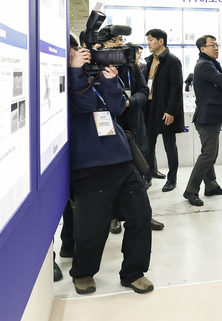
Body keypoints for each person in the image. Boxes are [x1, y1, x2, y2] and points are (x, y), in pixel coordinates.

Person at [67, 37, 153, 295]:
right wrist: (74, 72)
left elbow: (115, 108)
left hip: (121, 157)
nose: (79, 53)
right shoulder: (64, 79)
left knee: (140, 216)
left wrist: (108, 79)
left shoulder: (90, 74)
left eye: (78, 49)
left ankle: (134, 272)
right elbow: (83, 105)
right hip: (89, 162)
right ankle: (83, 272)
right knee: (92, 227)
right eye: (72, 50)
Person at [108, 37, 165, 233]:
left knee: (138, 174)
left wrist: (129, 102)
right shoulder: (99, 65)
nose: (118, 44)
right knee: (113, 175)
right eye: (113, 41)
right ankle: (114, 216)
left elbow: (143, 90)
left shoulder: (131, 65)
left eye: (120, 40)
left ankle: (143, 215)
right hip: (110, 124)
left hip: (133, 122)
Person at [183, 35, 222, 206]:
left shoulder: (211, 64)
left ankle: (211, 186)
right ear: (202, 48)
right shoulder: (204, 65)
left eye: (217, 45)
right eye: (212, 45)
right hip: (207, 117)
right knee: (208, 155)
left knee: (211, 153)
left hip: (212, 116)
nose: (216, 48)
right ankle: (191, 190)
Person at [143, 29, 185, 191]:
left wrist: (171, 111)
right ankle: (148, 176)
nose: (148, 43)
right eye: (148, 40)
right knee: (148, 145)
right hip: (149, 108)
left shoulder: (172, 61)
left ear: (161, 41)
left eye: (151, 40)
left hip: (165, 109)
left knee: (169, 145)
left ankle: (172, 179)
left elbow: (176, 88)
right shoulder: (149, 60)